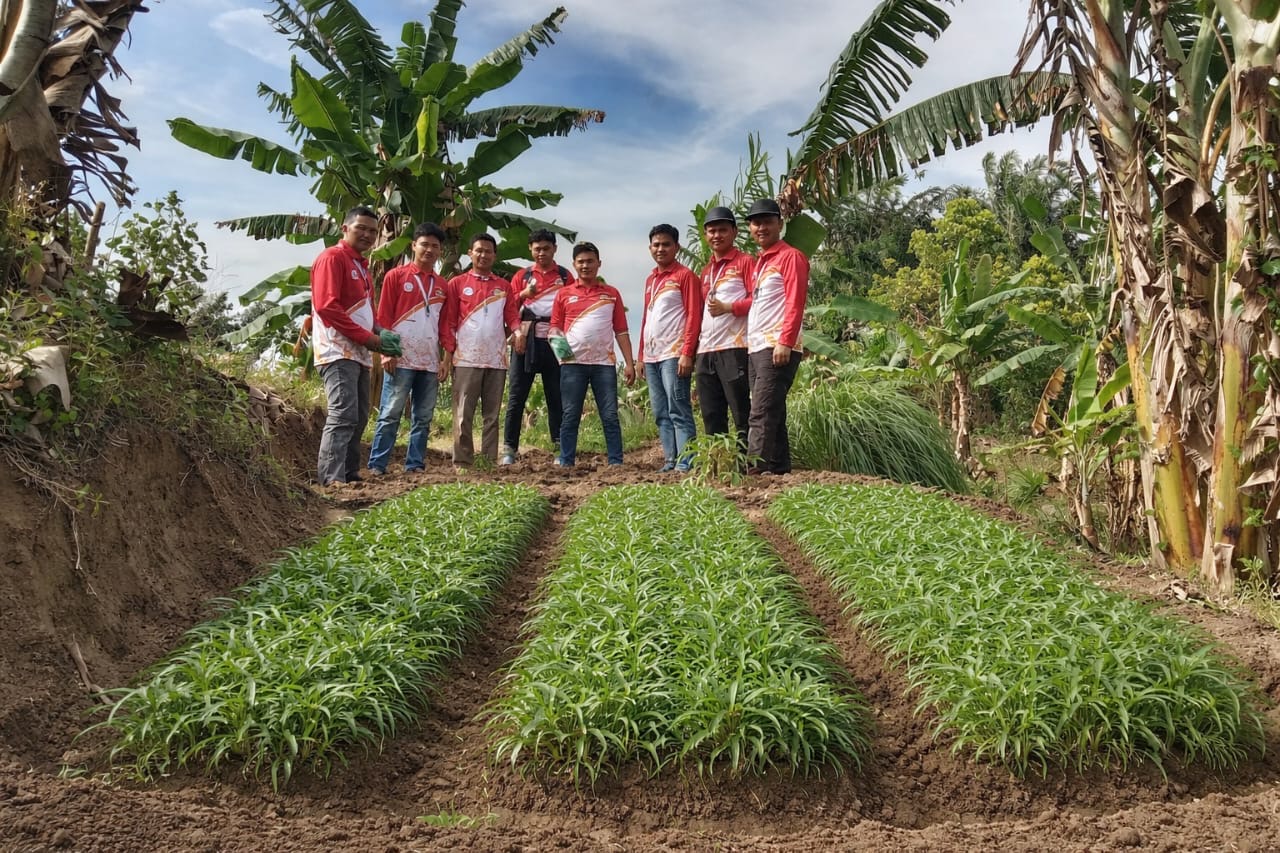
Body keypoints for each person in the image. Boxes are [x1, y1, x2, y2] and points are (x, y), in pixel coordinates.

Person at [311, 205, 402, 486]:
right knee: (343, 413)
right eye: (360, 228)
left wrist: (380, 332)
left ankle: (349, 473)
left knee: (360, 416)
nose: (367, 234)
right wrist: (372, 339)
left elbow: (365, 313)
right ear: (345, 229)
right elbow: (327, 307)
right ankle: (330, 478)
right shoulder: (332, 258)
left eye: (373, 231)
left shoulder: (361, 266)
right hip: (336, 350)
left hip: (359, 354)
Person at [366, 222, 447, 475]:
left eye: (435, 246)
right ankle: (377, 465)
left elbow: (444, 326)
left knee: (423, 418)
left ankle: (415, 465)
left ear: (440, 251)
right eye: (424, 244)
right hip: (400, 358)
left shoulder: (442, 284)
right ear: (414, 245)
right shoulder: (396, 276)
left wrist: (446, 359)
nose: (429, 250)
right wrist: (386, 352)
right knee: (390, 413)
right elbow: (383, 317)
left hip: (430, 362)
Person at [549, 241, 636, 467]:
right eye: (581, 262)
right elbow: (554, 329)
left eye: (590, 261)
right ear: (574, 265)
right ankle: (566, 461)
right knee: (570, 416)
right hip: (572, 366)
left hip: (604, 365)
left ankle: (616, 462)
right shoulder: (564, 294)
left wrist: (629, 363)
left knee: (609, 415)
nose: (585, 266)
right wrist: (564, 357)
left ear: (599, 264)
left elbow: (621, 330)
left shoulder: (611, 294)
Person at [440, 233, 518, 467]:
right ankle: (462, 462)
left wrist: (518, 330)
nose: (483, 255)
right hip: (466, 359)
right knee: (464, 414)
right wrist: (447, 357)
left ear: (495, 256)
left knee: (492, 415)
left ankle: (487, 461)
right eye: (479, 250)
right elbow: (449, 323)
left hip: (496, 360)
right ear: (470, 253)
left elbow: (512, 316)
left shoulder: (503, 286)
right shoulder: (457, 284)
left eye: (488, 251)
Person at [744, 198, 808, 475]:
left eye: (767, 221)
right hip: (757, 347)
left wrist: (786, 340)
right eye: (756, 223)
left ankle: (754, 471)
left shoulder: (791, 257)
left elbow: (796, 301)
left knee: (760, 412)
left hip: (777, 345)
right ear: (749, 228)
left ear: (780, 224)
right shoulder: (761, 263)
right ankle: (779, 469)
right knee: (773, 411)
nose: (761, 227)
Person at [501, 229, 573, 465]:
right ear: (530, 250)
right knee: (517, 396)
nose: (541, 252)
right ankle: (509, 449)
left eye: (546, 248)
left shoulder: (564, 275)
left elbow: (573, 307)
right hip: (525, 337)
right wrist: (524, 294)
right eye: (537, 248)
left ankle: (560, 448)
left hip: (557, 340)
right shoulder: (522, 275)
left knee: (557, 396)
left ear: (554, 249)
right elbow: (509, 306)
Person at [639, 224, 700, 472]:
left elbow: (694, 315)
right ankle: (670, 459)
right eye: (656, 244)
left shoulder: (685, 276)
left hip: (674, 353)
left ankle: (687, 461)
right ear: (650, 248)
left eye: (666, 244)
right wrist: (640, 355)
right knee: (660, 411)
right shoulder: (651, 279)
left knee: (678, 407)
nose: (660, 249)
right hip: (652, 356)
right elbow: (646, 318)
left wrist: (687, 352)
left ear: (677, 247)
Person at [699, 205, 754, 451]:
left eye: (722, 230)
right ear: (705, 235)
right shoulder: (706, 270)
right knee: (711, 412)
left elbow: (758, 300)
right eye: (712, 231)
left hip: (735, 347)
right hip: (705, 350)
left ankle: (748, 462)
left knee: (741, 410)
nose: (717, 235)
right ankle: (717, 463)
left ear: (735, 231)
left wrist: (730, 307)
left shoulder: (746, 262)